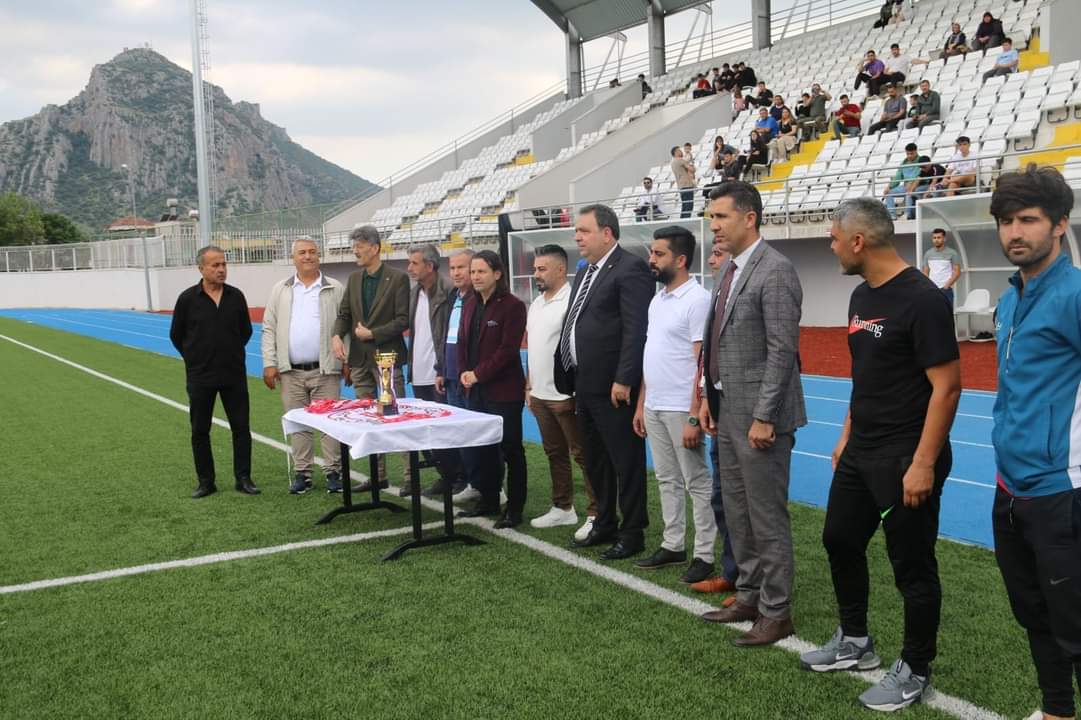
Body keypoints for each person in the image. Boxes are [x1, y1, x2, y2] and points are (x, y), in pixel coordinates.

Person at [802, 191, 961, 718]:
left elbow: (947, 388)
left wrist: (923, 463)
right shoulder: (860, 296)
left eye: (833, 239)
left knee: (912, 567)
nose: (830, 247)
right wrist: (846, 432)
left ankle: (915, 668)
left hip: (905, 456)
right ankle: (855, 639)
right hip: (862, 448)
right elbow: (864, 373)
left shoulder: (922, 299)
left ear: (858, 241)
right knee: (839, 538)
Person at [989, 166, 1081, 720]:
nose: (1014, 232)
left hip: (1062, 490)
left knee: (1076, 623)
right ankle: (1056, 712)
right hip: (1010, 487)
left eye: (1027, 220)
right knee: (1035, 613)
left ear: (1060, 224)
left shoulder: (1075, 294)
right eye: (1005, 221)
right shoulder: (1010, 299)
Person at [697, 181, 805, 647]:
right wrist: (709, 397)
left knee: (765, 516)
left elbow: (782, 352)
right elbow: (719, 343)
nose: (714, 226)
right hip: (727, 410)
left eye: (721, 217)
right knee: (737, 512)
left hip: (761, 419)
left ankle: (777, 612)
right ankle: (748, 596)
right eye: (711, 217)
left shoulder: (775, 270)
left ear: (749, 218)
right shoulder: (729, 269)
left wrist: (765, 416)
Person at [555, 204, 654, 561]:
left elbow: (635, 329)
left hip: (614, 387)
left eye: (584, 231)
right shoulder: (585, 271)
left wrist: (624, 378)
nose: (577, 237)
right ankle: (605, 522)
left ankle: (633, 532)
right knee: (596, 460)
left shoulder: (631, 268)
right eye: (576, 231)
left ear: (607, 233)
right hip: (584, 382)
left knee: (625, 462)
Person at [632, 226, 717, 584]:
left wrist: (695, 415)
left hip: (682, 408)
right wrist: (641, 404)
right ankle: (673, 544)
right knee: (666, 478)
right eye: (651, 253)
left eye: (658, 254)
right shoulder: (658, 300)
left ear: (680, 260)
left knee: (696, 481)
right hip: (655, 404)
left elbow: (702, 362)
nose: (651, 259)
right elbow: (651, 354)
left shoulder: (698, 300)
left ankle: (705, 554)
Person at [169, 245, 259, 499]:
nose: (221, 269)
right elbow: (177, 335)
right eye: (215, 265)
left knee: (241, 428)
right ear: (201, 268)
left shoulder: (236, 296)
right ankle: (206, 482)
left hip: (233, 375)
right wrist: (196, 359)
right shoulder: (187, 299)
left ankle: (243, 478)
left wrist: (229, 354)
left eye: (223, 264)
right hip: (200, 377)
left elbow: (245, 331)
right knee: (200, 430)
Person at [262, 236, 345, 495]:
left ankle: (333, 472)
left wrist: (347, 360)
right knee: (298, 423)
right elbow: (269, 327)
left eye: (312, 252)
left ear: (319, 256)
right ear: (293, 258)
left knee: (329, 422)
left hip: (326, 369)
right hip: (291, 371)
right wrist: (269, 363)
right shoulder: (281, 289)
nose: (307, 256)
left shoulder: (335, 287)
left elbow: (345, 326)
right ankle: (303, 474)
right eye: (302, 253)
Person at [332, 224, 410, 493]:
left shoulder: (398, 278)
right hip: (359, 360)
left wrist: (372, 334)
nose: (355, 251)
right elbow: (344, 314)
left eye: (360, 246)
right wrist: (336, 335)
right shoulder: (354, 279)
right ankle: (378, 476)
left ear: (375, 248)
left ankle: (409, 476)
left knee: (396, 415)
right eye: (353, 246)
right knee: (367, 418)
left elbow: (403, 320)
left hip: (387, 358)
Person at [527, 244, 597, 536]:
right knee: (554, 453)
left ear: (560, 269)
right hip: (540, 394)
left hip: (565, 395)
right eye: (535, 269)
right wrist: (530, 386)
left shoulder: (573, 301)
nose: (536, 274)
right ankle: (563, 508)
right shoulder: (535, 303)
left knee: (583, 455)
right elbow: (534, 348)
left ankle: (596, 512)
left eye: (542, 269)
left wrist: (573, 391)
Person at [456, 250, 528, 528]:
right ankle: (488, 499)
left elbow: (507, 351)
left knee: (511, 450)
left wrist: (478, 374)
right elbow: (462, 342)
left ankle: (515, 508)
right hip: (475, 390)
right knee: (483, 448)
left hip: (504, 392)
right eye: (473, 272)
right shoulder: (469, 304)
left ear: (497, 274)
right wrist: (464, 372)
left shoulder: (513, 306)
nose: (475, 277)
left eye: (481, 271)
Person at [692, 240, 739, 599]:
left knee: (747, 505)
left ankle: (755, 586)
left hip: (743, 414)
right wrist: (706, 398)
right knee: (722, 499)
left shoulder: (754, 288)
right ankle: (734, 573)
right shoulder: (717, 294)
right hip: (718, 409)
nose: (710, 260)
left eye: (718, 253)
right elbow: (709, 357)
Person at [406, 243, 461, 497]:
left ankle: (459, 476)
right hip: (419, 373)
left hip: (439, 373)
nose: (409, 268)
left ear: (430, 266)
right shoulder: (414, 293)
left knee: (446, 429)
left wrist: (443, 367)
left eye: (414, 263)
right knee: (429, 430)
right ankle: (446, 474)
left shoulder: (449, 291)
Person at [435, 248, 479, 499]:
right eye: (452, 268)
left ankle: (490, 486)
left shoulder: (478, 298)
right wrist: (441, 369)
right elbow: (446, 336)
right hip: (451, 377)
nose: (456, 273)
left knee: (475, 433)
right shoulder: (453, 296)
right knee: (461, 433)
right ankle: (472, 482)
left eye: (461, 267)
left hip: (468, 378)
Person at [921, 228, 961, 306]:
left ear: (944, 239)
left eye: (939, 237)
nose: (936, 240)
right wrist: (928, 286)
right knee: (932, 312)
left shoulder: (952, 253)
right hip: (932, 289)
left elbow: (957, 272)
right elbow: (925, 272)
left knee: (947, 312)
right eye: (934, 238)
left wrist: (946, 286)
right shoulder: (928, 253)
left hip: (946, 290)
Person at [883, 142, 923, 220]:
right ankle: (892, 215)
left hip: (917, 185)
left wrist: (911, 183)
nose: (909, 156)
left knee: (909, 192)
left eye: (911, 154)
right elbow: (898, 176)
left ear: (916, 151)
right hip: (905, 186)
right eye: (908, 154)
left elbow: (920, 174)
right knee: (888, 193)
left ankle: (908, 214)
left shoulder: (921, 161)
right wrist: (889, 186)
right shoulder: (904, 163)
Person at [671, 146, 696, 219]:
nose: (681, 152)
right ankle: (686, 222)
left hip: (681, 186)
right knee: (689, 206)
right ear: (676, 152)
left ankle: (682, 221)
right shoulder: (680, 160)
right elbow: (692, 170)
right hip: (686, 185)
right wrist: (691, 163)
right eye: (679, 150)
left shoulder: (672, 162)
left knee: (685, 206)